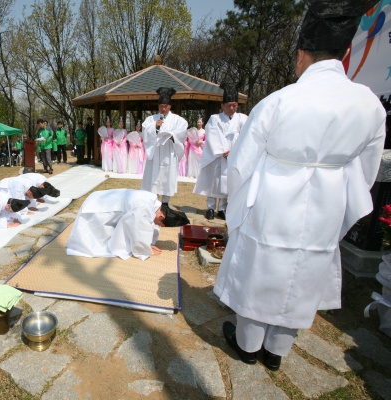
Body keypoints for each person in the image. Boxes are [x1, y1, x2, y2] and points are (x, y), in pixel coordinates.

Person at [215, 0, 386, 372]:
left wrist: (238, 211)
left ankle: (248, 345)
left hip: (273, 203)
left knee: (262, 267)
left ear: (302, 54)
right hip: (327, 205)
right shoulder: (370, 105)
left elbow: (242, 165)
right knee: (303, 273)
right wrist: (341, 205)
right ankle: (277, 351)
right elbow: (366, 171)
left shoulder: (280, 101)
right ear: (344, 54)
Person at [66, 189, 189, 261]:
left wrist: (148, 242)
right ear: (162, 216)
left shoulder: (153, 200)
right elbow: (139, 232)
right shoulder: (144, 209)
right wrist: (145, 249)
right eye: (161, 224)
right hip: (97, 209)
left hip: (98, 198)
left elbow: (146, 225)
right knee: (96, 242)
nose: (157, 225)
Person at [193, 84, 248, 220]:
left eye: (234, 105)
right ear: (222, 105)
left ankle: (223, 208)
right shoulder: (214, 119)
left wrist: (234, 150)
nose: (232, 108)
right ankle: (210, 207)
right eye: (229, 105)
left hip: (233, 156)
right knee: (214, 181)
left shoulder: (242, 119)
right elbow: (212, 135)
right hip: (216, 156)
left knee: (228, 182)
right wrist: (222, 150)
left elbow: (245, 135)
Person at [141, 87, 188, 208]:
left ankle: (166, 203)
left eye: (166, 106)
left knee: (168, 176)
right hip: (155, 152)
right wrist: (154, 127)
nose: (163, 108)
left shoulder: (177, 120)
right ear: (158, 106)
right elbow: (145, 131)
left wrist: (173, 136)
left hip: (168, 152)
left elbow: (182, 130)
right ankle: (154, 201)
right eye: (161, 106)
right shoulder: (151, 119)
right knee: (154, 177)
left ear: (170, 106)